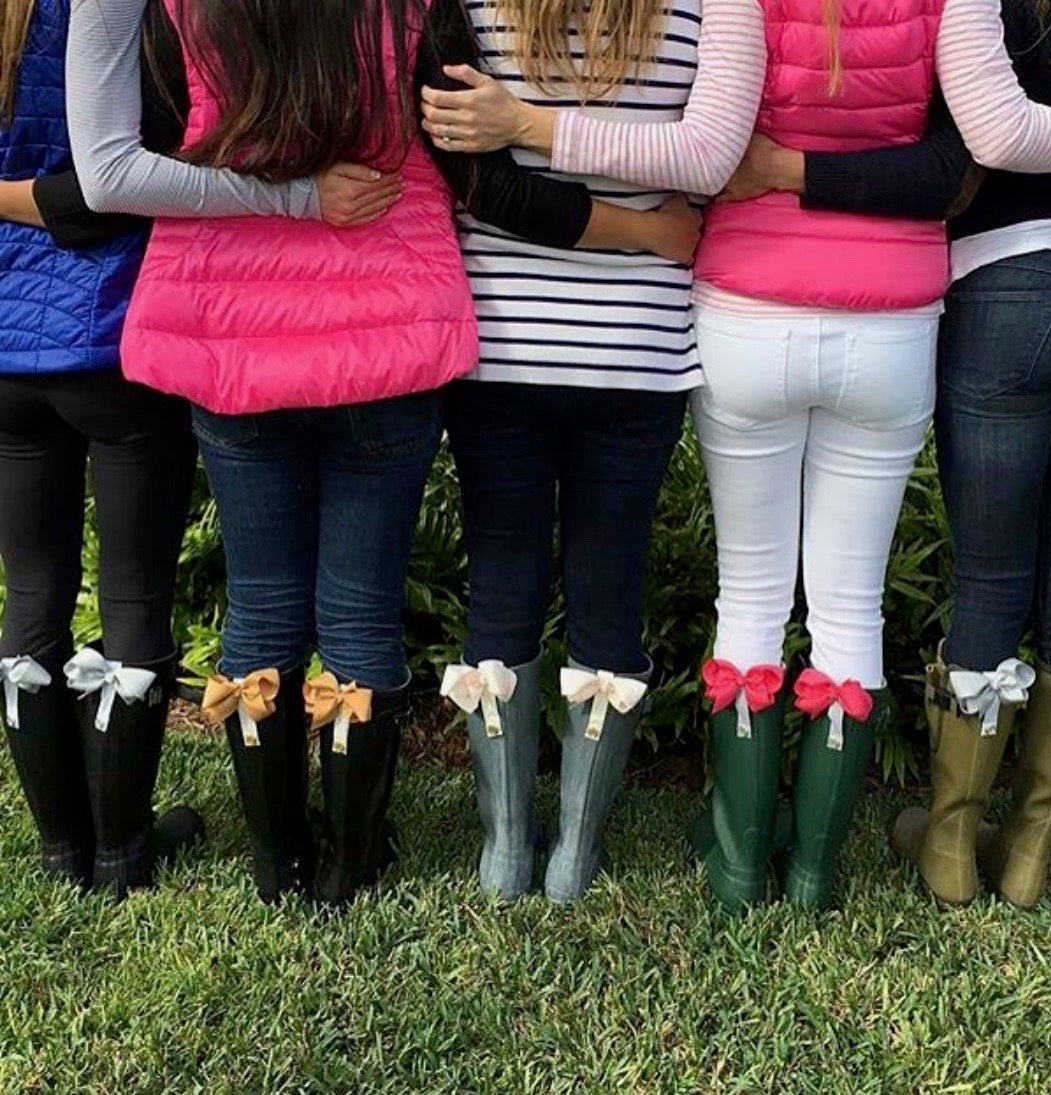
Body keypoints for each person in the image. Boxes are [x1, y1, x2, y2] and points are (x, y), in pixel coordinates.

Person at [69, 0, 696, 906]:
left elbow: (122, 168)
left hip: (228, 331)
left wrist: (272, 194)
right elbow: (472, 171)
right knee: (359, 619)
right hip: (388, 327)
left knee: (261, 613)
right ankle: (351, 866)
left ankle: (276, 860)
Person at [684, 0, 1051, 912]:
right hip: (900, 313)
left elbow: (712, 152)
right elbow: (947, 160)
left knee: (754, 596)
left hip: (765, 304)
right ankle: (828, 872)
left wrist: (775, 169)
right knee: (858, 607)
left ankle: (747, 865)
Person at [420, 0, 760, 903]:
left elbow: (481, 185)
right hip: (636, 350)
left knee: (502, 580)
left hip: (499, 346)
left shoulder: (478, 10)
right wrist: (645, 227)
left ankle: (504, 851)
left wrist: (527, 122)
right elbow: (705, 159)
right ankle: (573, 854)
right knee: (609, 584)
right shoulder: (697, 11)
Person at [0, 0, 203, 898]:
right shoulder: (125, 16)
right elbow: (106, 190)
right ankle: (121, 848)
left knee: (30, 597)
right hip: (113, 335)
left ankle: (60, 847)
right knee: (133, 595)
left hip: (5, 348)